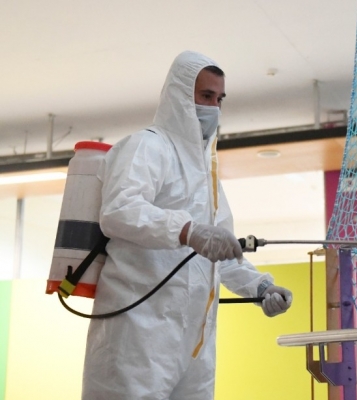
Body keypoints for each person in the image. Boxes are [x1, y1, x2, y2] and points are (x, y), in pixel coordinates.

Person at [82, 50, 293, 399]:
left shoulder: (208, 174)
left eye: (219, 99)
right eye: (205, 96)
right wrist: (187, 231)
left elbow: (221, 252)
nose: (214, 108)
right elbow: (120, 210)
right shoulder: (147, 146)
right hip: (137, 336)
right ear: (179, 94)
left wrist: (260, 287)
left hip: (195, 343)